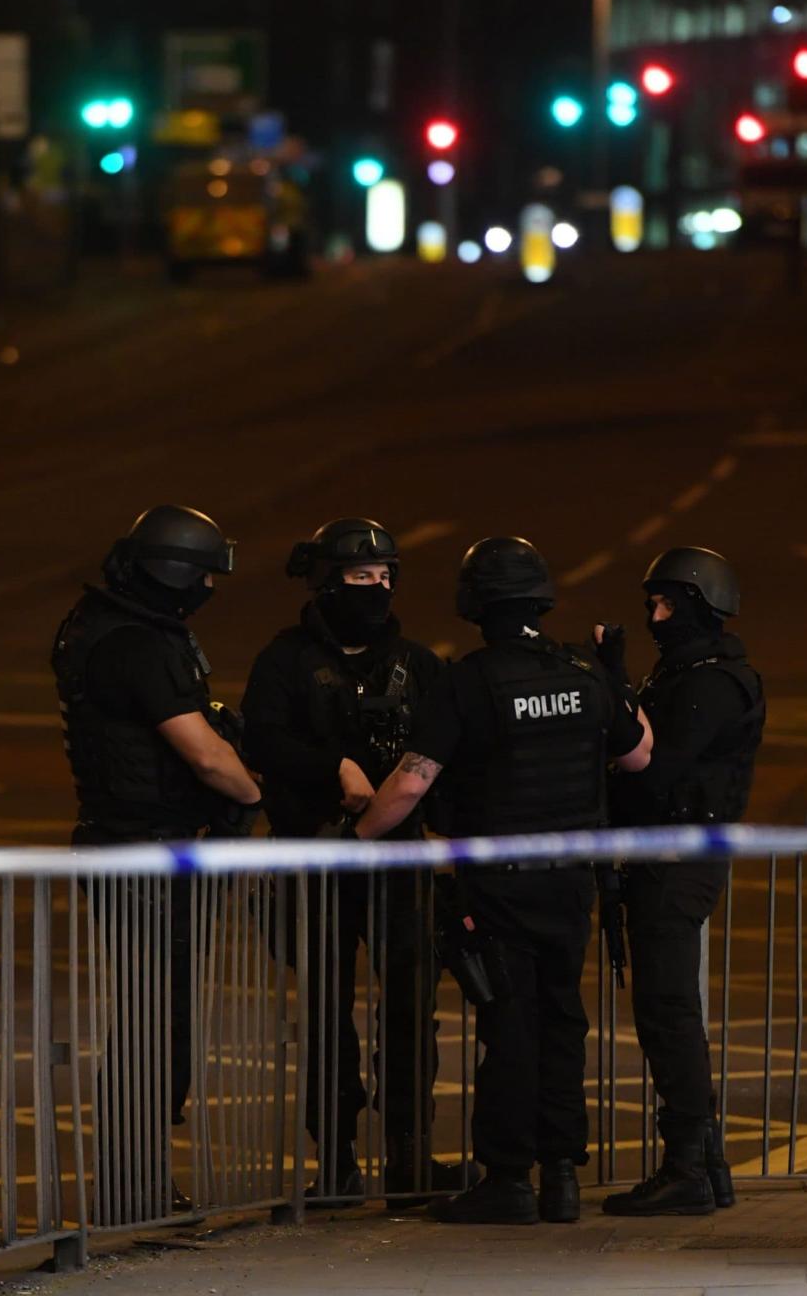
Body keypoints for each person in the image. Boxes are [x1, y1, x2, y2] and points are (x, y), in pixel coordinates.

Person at [355, 536, 652, 1225]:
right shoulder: (581, 671)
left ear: (473, 606)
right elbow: (637, 755)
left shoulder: (470, 683)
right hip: (572, 882)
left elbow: (409, 785)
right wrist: (615, 676)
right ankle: (562, 1178)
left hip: (502, 885)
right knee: (561, 1022)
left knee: (509, 1025)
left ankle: (509, 1178)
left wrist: (355, 840)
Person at [241, 517, 461, 1202]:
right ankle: (333, 1163)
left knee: (408, 1015)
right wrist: (330, 766)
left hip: (400, 866)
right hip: (316, 861)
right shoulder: (284, 662)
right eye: (360, 576)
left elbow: (448, 759)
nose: (377, 586)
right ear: (324, 580)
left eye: (385, 574)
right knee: (326, 1014)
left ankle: (409, 1158)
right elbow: (264, 746)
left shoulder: (419, 665)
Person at [52, 504, 261, 1218]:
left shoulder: (105, 626)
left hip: (132, 845)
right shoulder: (135, 645)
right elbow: (203, 752)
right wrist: (249, 789)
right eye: (202, 574)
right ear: (174, 573)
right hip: (141, 849)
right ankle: (132, 1183)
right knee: (153, 1020)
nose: (207, 587)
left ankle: (136, 1180)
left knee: (155, 1015)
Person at [599, 546, 765, 1217]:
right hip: (663, 856)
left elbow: (659, 768)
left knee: (668, 1011)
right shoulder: (685, 672)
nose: (653, 616)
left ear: (698, 605)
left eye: (666, 604)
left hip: (680, 859)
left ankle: (687, 1168)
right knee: (667, 1009)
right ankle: (709, 1164)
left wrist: (612, 683)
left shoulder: (713, 682)